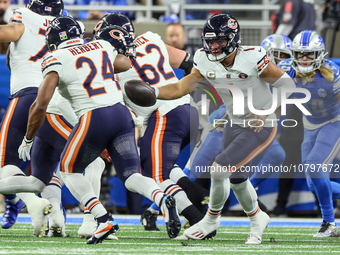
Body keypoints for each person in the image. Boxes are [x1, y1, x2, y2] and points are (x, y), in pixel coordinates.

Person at [18, 16, 182, 244]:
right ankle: (163, 198)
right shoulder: (102, 46)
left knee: (68, 169)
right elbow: (125, 64)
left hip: (94, 115)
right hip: (122, 115)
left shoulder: (56, 57)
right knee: (131, 175)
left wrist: (27, 138)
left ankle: (101, 218)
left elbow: (40, 105)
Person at [146, 13, 297, 243]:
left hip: (260, 126)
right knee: (237, 179)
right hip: (233, 123)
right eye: (211, 41)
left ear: (233, 39)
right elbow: (179, 88)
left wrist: (267, 111)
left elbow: (287, 83)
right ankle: (258, 218)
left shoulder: (252, 57)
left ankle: (210, 219)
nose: (214, 46)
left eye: (220, 41)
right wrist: (152, 92)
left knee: (219, 169)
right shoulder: (204, 59)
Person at [95, 12, 212, 234]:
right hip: (188, 110)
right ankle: (197, 196)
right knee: (160, 166)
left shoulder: (108, 60)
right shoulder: (150, 39)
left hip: (164, 116)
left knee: (156, 175)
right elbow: (189, 63)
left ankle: (198, 220)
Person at [0, 0, 65, 236]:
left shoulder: (23, 16)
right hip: (58, 101)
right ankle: (57, 218)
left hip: (28, 95)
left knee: (6, 163)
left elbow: (10, 33)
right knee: (46, 167)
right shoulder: (67, 24)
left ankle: (31, 203)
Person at [278, 30, 340, 237]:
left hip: (333, 123)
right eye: (300, 54)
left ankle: (329, 223)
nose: (304, 59)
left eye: (309, 54)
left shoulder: (333, 75)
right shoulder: (286, 69)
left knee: (315, 166)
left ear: (320, 55)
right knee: (314, 184)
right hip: (310, 125)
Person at [273, 0, 316, 216]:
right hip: (303, 116)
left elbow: (284, 28)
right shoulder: (310, 7)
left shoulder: (293, 3)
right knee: (292, 160)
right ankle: (281, 205)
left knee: (314, 164)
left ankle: (322, 208)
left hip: (309, 117)